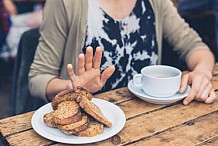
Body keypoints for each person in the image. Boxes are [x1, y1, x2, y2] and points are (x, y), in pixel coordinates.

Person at [29, 0, 217, 106]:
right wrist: (72, 86)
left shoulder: (156, 2)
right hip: (87, 125)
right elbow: (37, 78)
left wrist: (202, 72)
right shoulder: (65, 3)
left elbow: (194, 46)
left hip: (149, 119)